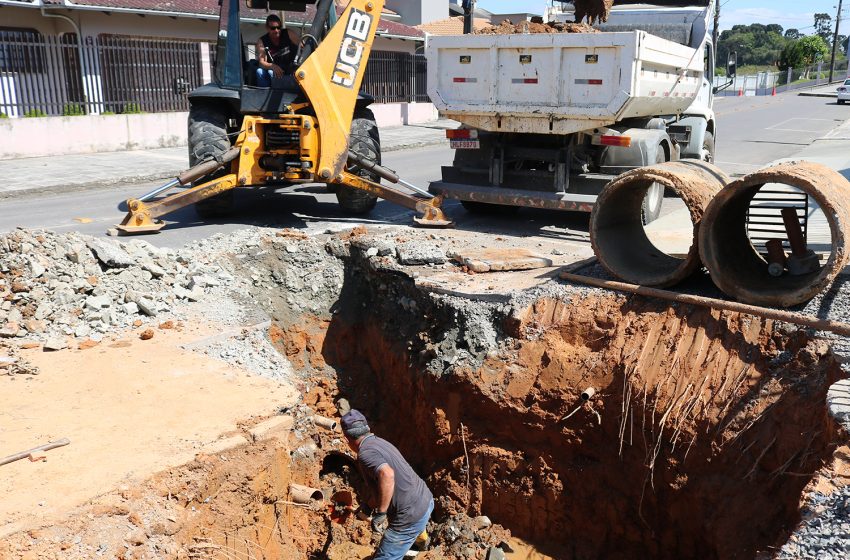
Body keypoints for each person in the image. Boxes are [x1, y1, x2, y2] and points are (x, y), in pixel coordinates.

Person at [342, 409, 434, 560]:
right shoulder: (380, 442)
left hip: (409, 515)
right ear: (367, 429)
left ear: (346, 439)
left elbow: (387, 475)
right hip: (425, 500)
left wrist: (381, 513)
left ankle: (414, 539)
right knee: (416, 526)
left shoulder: (365, 454)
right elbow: (382, 486)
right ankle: (421, 541)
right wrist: (368, 505)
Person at [255, 14, 300, 87]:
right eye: (273, 28)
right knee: (260, 72)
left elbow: (302, 46)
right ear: (267, 28)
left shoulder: (288, 33)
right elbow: (261, 62)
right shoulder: (262, 41)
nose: (276, 30)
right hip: (274, 70)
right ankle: (264, 94)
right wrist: (272, 66)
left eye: (278, 27)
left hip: (290, 69)